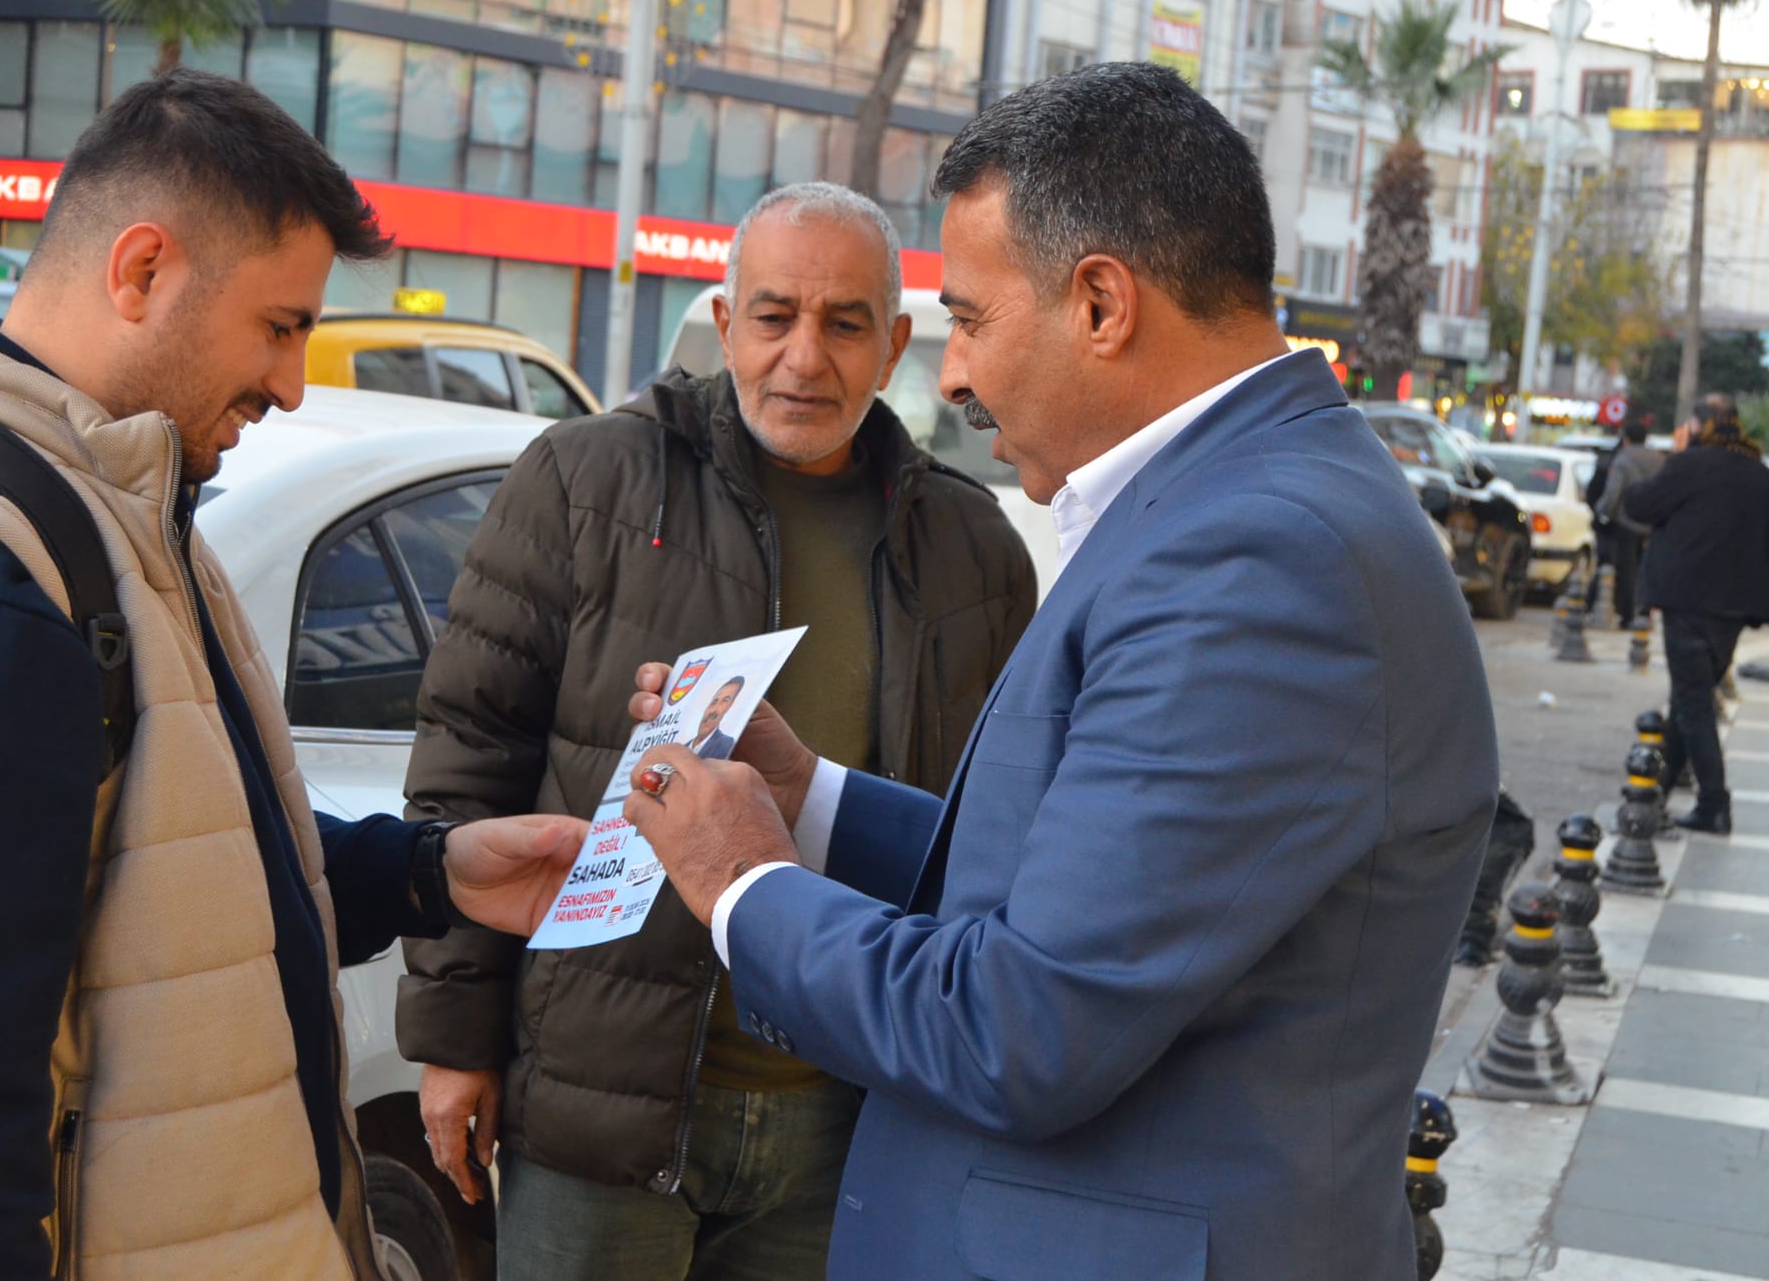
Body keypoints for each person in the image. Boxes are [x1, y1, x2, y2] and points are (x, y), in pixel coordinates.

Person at [620, 64, 1500, 1281]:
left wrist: (743, 883)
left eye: (970, 320)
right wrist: (810, 798)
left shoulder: (1256, 555)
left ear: (1098, 303)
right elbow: (1084, 887)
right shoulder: (1234, 509)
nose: (953, 375)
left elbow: (1020, 1028)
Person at [0, 70, 585, 1281]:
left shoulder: (109, 512)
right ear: (139, 271)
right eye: (279, 326)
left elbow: (163, 865)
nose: (291, 384)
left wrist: (424, 871)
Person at [397, 181, 1037, 1279]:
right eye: (774, 316)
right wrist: (454, 1040)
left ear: (893, 346)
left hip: (848, 1112)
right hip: (606, 1099)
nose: (803, 358)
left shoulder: (971, 550)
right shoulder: (585, 481)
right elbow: (468, 759)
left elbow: (987, 837)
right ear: (727, 320)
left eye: (844, 326)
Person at [1623, 397, 1769, 836]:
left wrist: (1672, 458)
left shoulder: (1690, 465)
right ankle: (1658, 792)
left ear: (1700, 427)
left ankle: (1714, 803)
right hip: (1735, 608)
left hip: (1688, 601)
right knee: (1691, 700)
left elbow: (1639, 504)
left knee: (1693, 704)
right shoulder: (1758, 473)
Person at [1596, 417, 1663, 626]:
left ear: (1626, 439)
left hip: (1626, 522)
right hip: (1652, 524)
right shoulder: (1660, 460)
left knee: (1626, 569)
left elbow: (1613, 492)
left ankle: (1628, 614)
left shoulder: (1623, 460)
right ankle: (1644, 612)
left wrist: (1603, 512)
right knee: (1647, 569)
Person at [686, 676, 747, 760]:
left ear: (731, 706)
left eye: (725, 701)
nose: (713, 710)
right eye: (714, 701)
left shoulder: (726, 744)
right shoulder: (680, 749)